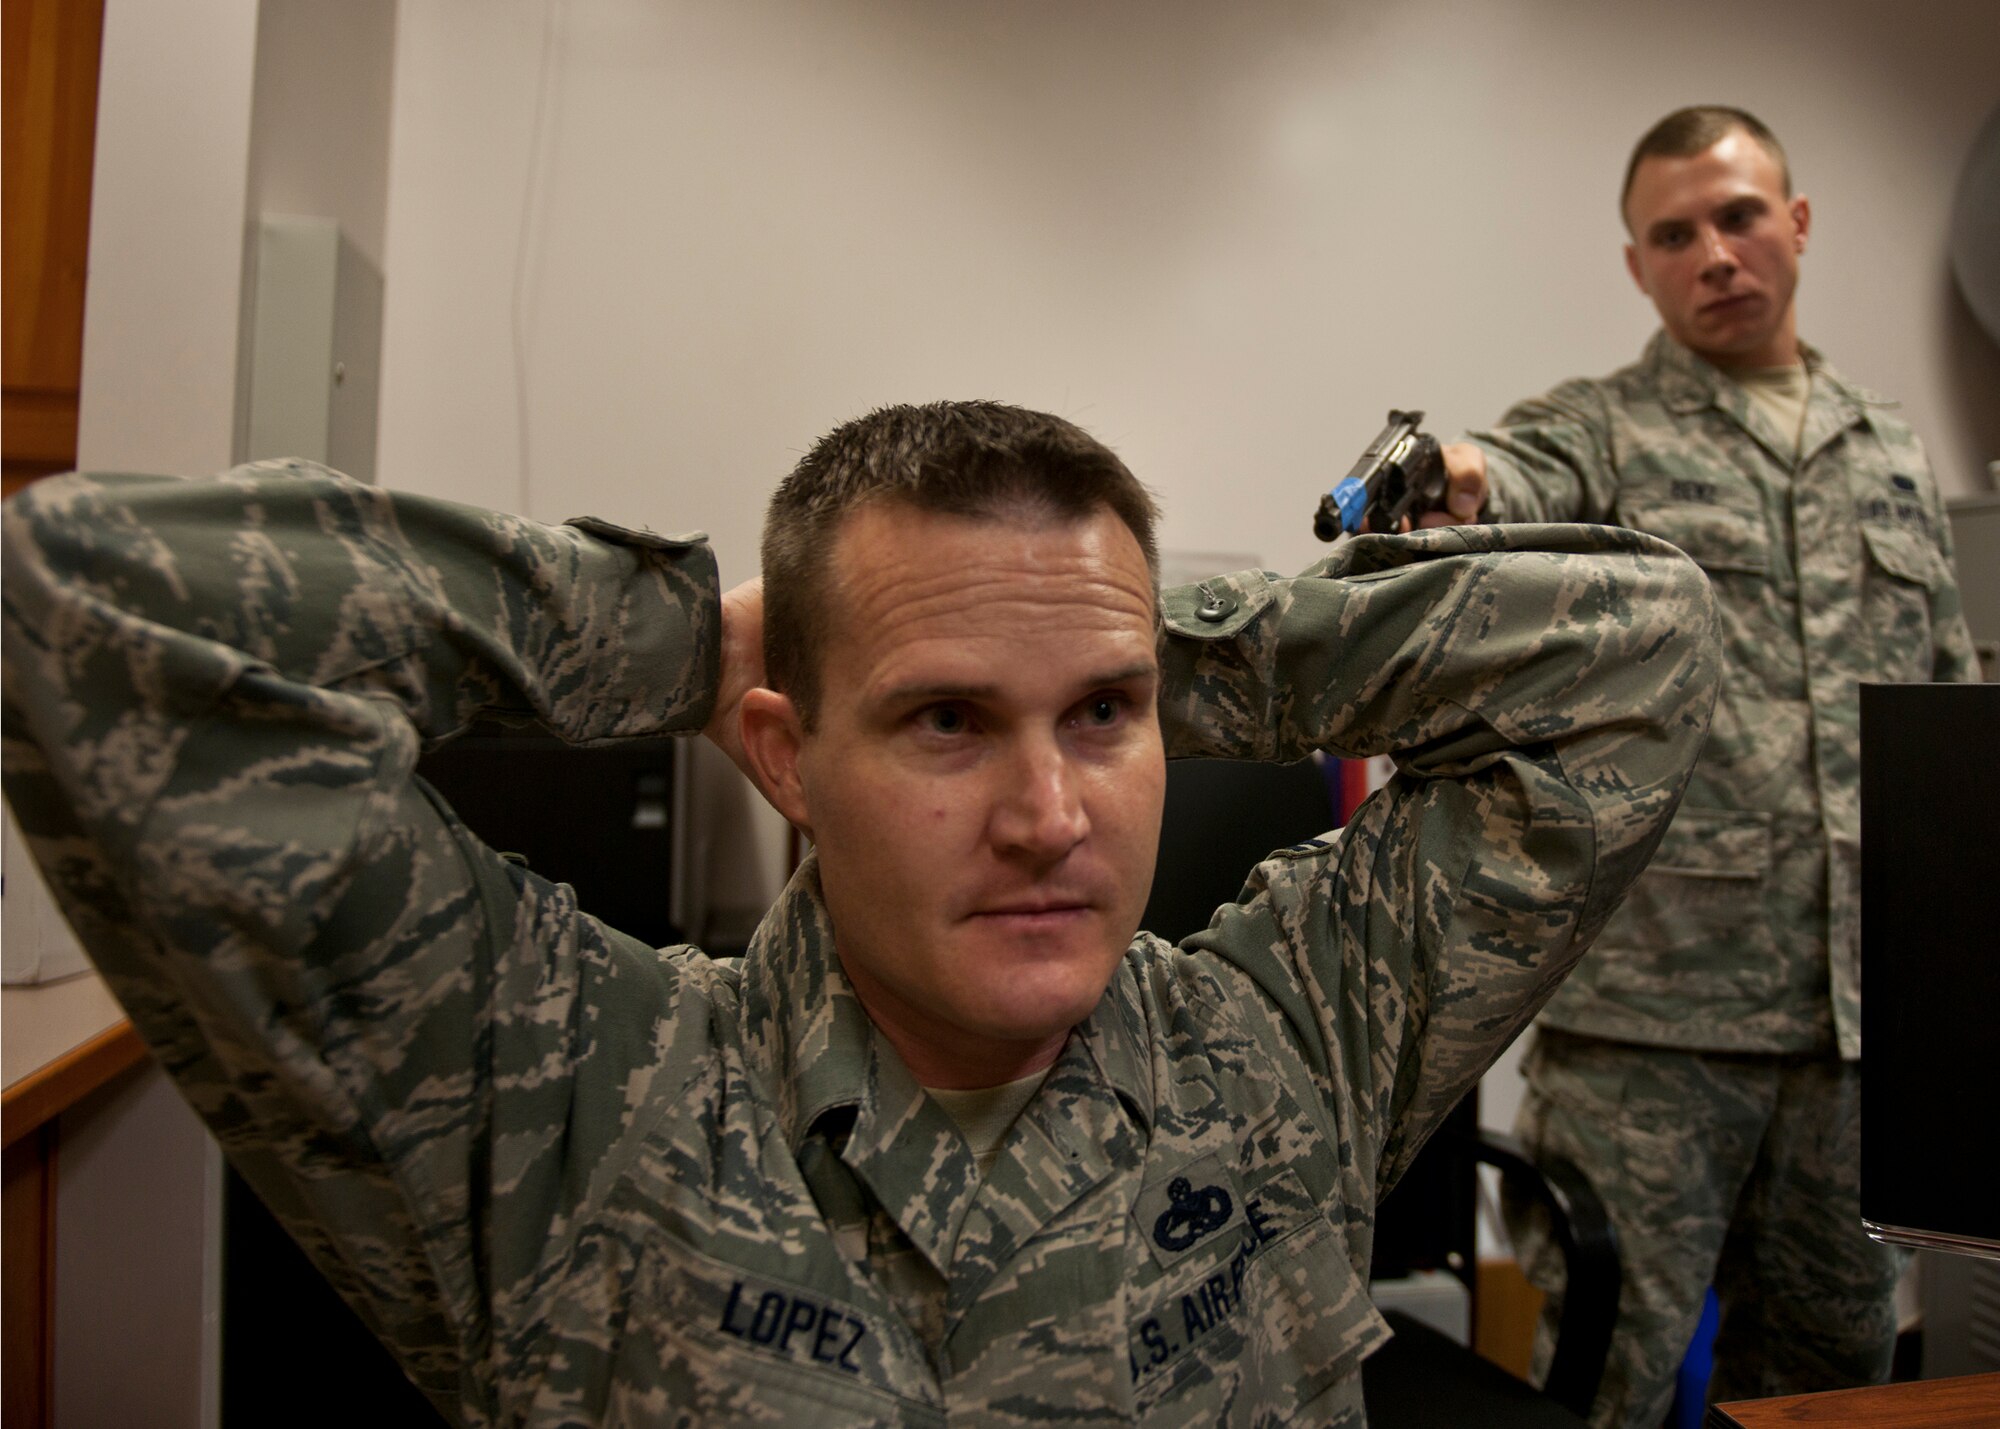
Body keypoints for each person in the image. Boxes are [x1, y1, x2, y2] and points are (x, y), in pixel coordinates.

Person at [1, 401, 1718, 1426]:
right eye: (946, 718)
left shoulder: (1288, 1044)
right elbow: (85, 602)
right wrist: (675, 638)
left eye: (1103, 720)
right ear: (786, 757)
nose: (1051, 817)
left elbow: (1639, 658)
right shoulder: (572, 1097)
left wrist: (1161, 645)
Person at [1431, 107, 1979, 1428]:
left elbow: (1946, 707)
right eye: (1674, 235)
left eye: (1739, 217)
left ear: (1797, 223)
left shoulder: (1890, 450)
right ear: (1639, 267)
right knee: (1593, 1378)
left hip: (1857, 1031)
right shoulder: (1603, 431)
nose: (1715, 254)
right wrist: (1457, 477)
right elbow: (1508, 474)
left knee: (1830, 1384)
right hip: (1651, 1028)